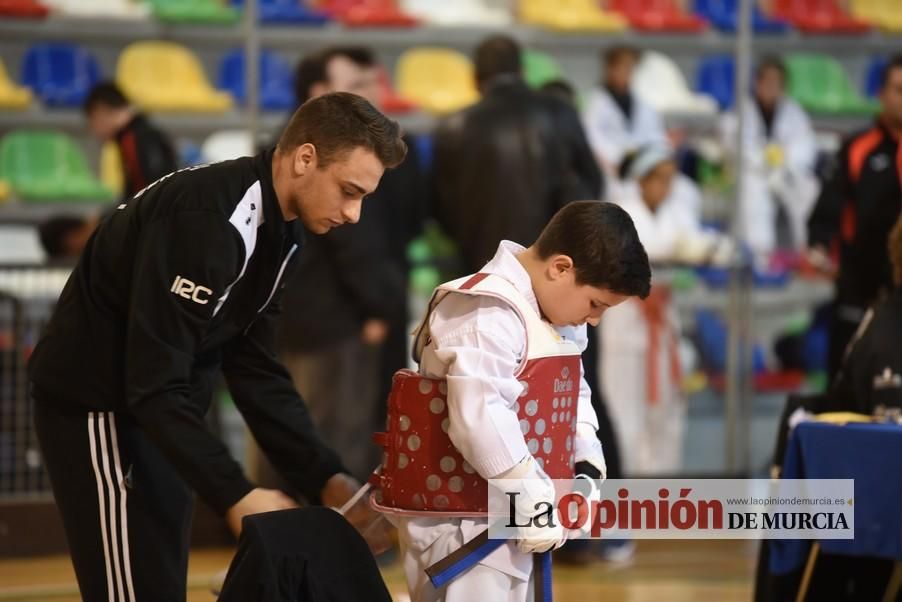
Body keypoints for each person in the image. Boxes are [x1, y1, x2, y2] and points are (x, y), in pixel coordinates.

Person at [28, 92, 406, 601]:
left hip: (159, 413)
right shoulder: (209, 222)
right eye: (348, 191)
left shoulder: (283, 231)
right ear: (305, 159)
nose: (354, 213)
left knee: (159, 581)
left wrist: (324, 475)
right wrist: (238, 493)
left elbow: (255, 366)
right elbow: (154, 381)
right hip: (100, 412)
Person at [375, 201, 651, 601]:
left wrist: (586, 467)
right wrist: (530, 496)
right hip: (463, 523)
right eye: (595, 305)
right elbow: (479, 417)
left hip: (523, 511)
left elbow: (572, 394)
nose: (593, 320)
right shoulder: (485, 308)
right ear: (560, 268)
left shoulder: (554, 316)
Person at [273, 46, 425, 481]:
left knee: (314, 433)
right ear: (319, 94)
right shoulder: (331, 159)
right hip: (334, 319)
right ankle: (329, 541)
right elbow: (355, 245)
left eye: (369, 84)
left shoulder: (295, 151)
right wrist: (379, 307)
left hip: (312, 317)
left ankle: (308, 538)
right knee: (335, 438)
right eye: (354, 86)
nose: (367, 95)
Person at [433, 34, 603, 274]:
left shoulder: (453, 126)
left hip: (481, 264)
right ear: (522, 71)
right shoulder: (560, 112)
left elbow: (442, 206)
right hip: (555, 263)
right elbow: (592, 182)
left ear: (475, 79)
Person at [601, 145, 723, 475]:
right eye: (658, 179)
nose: (665, 187)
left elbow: (697, 246)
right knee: (625, 411)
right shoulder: (620, 214)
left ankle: (660, 490)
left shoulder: (677, 214)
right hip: (626, 325)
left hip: (663, 325)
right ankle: (624, 490)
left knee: (667, 412)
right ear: (641, 180)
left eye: (670, 179)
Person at [808, 54, 902, 378]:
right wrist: (818, 243)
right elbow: (828, 206)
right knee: (847, 383)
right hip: (858, 289)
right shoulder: (858, 148)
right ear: (882, 95)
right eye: (898, 89)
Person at [720, 56, 819, 256]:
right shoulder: (741, 110)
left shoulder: (793, 112)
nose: (772, 87)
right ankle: (759, 256)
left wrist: (783, 163)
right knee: (753, 194)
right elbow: (734, 143)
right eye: (768, 82)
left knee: (810, 188)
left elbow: (805, 146)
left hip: (785, 172)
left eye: (777, 83)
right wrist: (764, 161)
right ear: (758, 83)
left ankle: (806, 251)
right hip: (752, 173)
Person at [581, 45, 668, 179]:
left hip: (641, 168)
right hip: (608, 170)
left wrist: (650, 156)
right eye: (621, 67)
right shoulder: (596, 102)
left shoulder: (642, 102)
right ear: (609, 69)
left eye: (630, 67)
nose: (626, 72)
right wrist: (614, 160)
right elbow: (590, 136)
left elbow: (654, 134)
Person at [83, 81, 178, 201]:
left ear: (100, 111)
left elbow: (152, 190)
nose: (94, 131)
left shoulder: (134, 138)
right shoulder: (136, 133)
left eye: (92, 122)